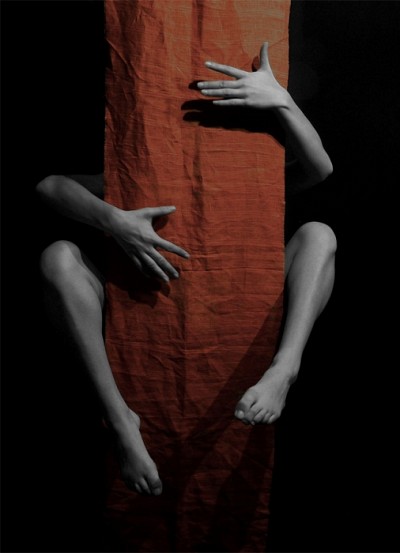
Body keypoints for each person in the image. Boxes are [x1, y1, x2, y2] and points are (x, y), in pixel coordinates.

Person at [37, 42, 335, 498]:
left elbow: (320, 168)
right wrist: (115, 220)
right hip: (146, 300)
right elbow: (49, 187)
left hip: (242, 298)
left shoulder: (247, 173)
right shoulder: (142, 174)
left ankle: (285, 369)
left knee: (319, 235)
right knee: (58, 256)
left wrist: (283, 101)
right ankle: (120, 419)